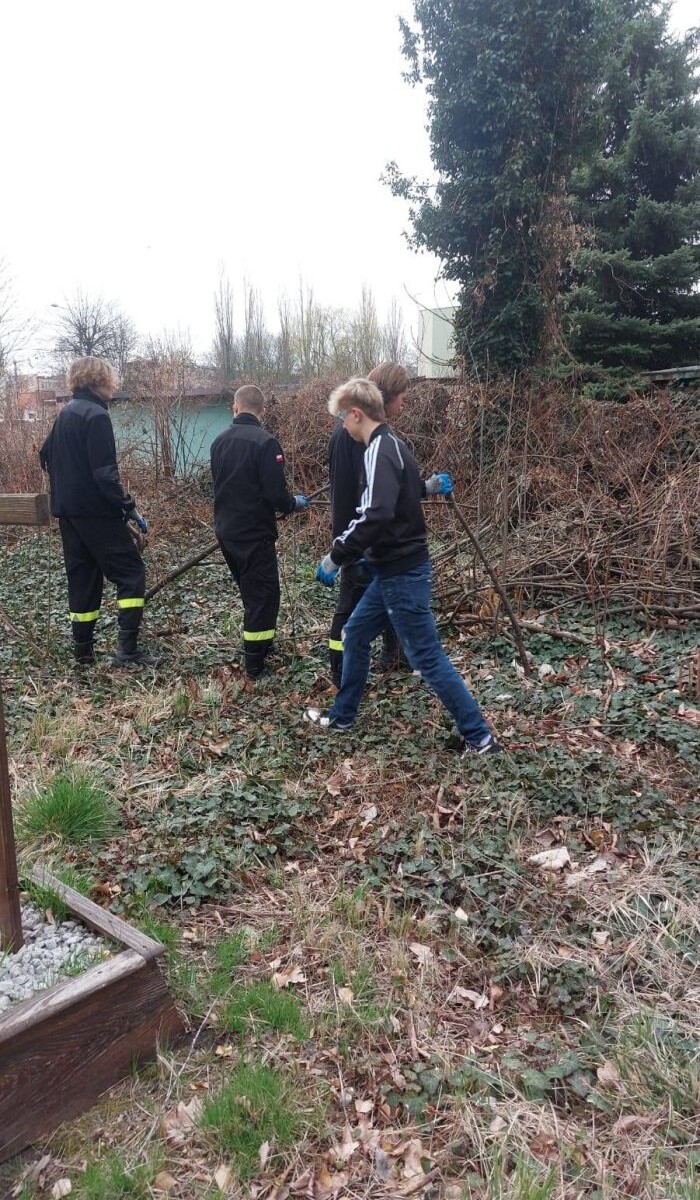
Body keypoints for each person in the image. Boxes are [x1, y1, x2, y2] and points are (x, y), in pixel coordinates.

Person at [304, 377, 500, 755]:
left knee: (427, 658)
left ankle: (480, 737)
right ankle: (342, 717)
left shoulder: (379, 449)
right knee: (356, 633)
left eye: (343, 418)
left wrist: (337, 555)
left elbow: (375, 513)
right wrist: (427, 488)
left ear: (357, 414)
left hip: (401, 574)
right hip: (392, 570)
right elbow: (402, 494)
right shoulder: (394, 445)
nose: (342, 426)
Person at [326, 361, 453, 687]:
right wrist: (344, 550)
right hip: (359, 536)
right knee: (350, 608)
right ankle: (341, 672)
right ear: (384, 398)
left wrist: (427, 487)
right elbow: (367, 499)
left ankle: (393, 655)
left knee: (380, 599)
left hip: (368, 536)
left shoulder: (373, 436)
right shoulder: (356, 437)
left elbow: (389, 491)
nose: (403, 403)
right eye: (400, 396)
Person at [39, 355, 155, 667]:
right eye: (111, 380)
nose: (114, 386)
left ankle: (83, 654)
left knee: (83, 579)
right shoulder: (96, 416)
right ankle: (127, 650)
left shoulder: (65, 415)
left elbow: (45, 454)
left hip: (68, 514)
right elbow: (105, 475)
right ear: (99, 381)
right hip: (96, 513)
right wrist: (128, 507)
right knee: (131, 574)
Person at [210, 384, 308, 678]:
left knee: (252, 593)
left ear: (235, 408)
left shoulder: (219, 442)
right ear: (262, 411)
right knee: (264, 596)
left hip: (227, 532)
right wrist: (294, 504)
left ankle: (262, 644)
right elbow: (275, 494)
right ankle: (254, 665)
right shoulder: (266, 443)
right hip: (254, 534)